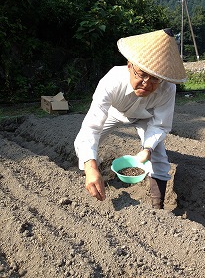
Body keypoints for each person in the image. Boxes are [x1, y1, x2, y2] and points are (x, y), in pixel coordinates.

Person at [74, 28, 187, 209]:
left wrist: (147, 149)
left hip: (145, 118)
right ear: (129, 65)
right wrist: (90, 167)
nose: (146, 84)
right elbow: (91, 127)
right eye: (141, 74)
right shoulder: (112, 81)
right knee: (85, 144)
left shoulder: (167, 88)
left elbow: (160, 124)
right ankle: (91, 174)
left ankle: (157, 207)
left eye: (155, 79)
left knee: (159, 156)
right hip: (116, 112)